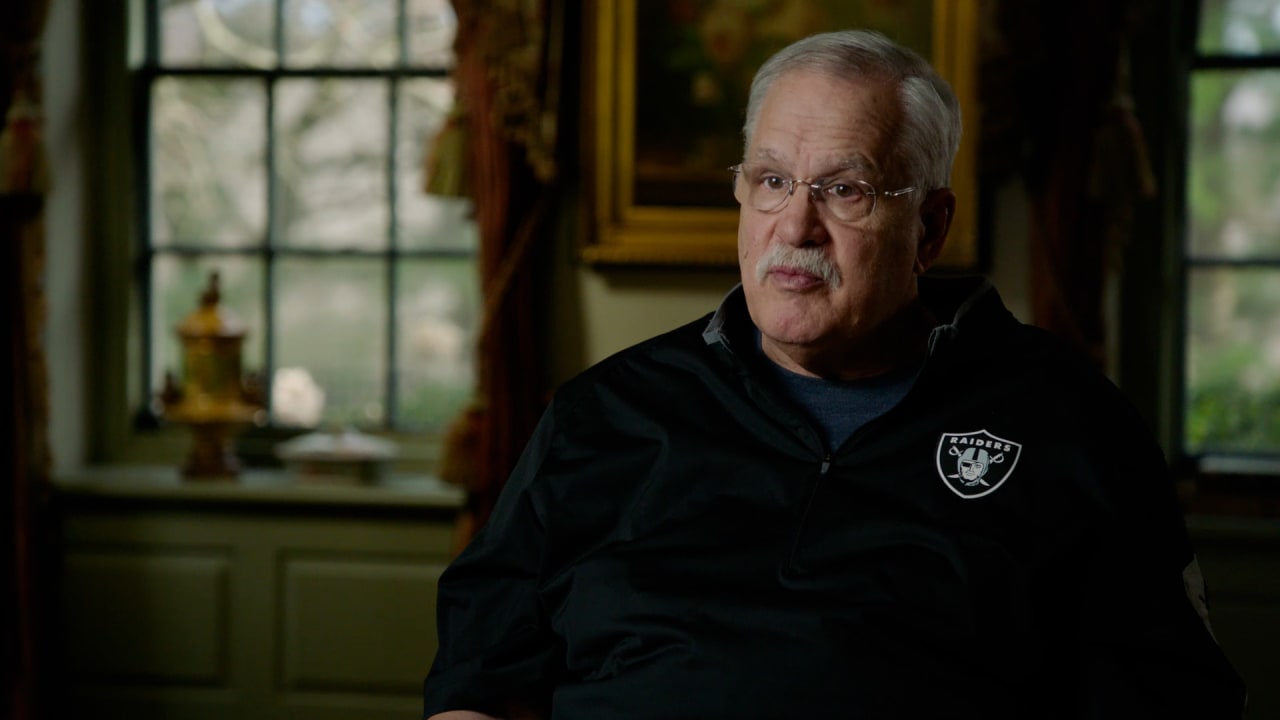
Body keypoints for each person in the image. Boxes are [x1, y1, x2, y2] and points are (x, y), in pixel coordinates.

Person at [423, 30, 1246, 719]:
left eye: (844, 189)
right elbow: (478, 677)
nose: (797, 226)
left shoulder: (1070, 425)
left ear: (928, 226)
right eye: (773, 181)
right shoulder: (602, 415)